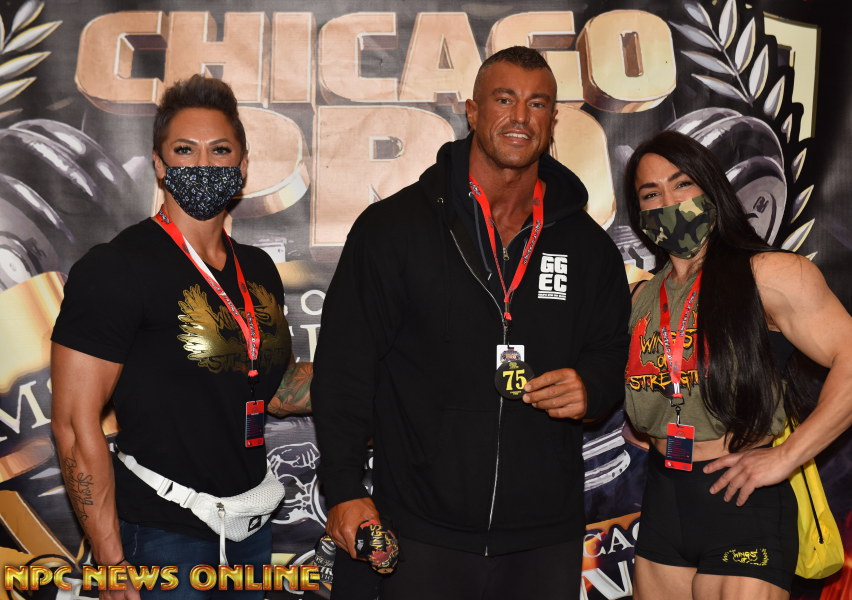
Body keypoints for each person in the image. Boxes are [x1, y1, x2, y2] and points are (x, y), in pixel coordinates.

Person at [311, 46, 630, 599]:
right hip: (417, 528)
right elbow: (344, 366)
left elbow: (609, 350)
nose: (520, 117)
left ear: (552, 120)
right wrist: (342, 486)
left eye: (537, 104)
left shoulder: (587, 246)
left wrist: (593, 387)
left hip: (542, 538)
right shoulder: (394, 228)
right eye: (504, 100)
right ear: (473, 111)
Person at [50, 75, 313, 600]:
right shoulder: (117, 267)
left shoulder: (258, 268)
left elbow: (272, 389)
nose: (204, 164)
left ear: (242, 166)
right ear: (158, 163)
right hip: (160, 535)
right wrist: (110, 560)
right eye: (185, 150)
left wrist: (373, 378)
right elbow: (75, 425)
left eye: (221, 150)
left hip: (249, 530)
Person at [622, 130, 852, 600]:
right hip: (664, 497)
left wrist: (787, 456)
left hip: (741, 499)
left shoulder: (769, 273)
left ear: (711, 187)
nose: (669, 201)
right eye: (650, 193)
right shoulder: (642, 296)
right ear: (639, 214)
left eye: (682, 183)